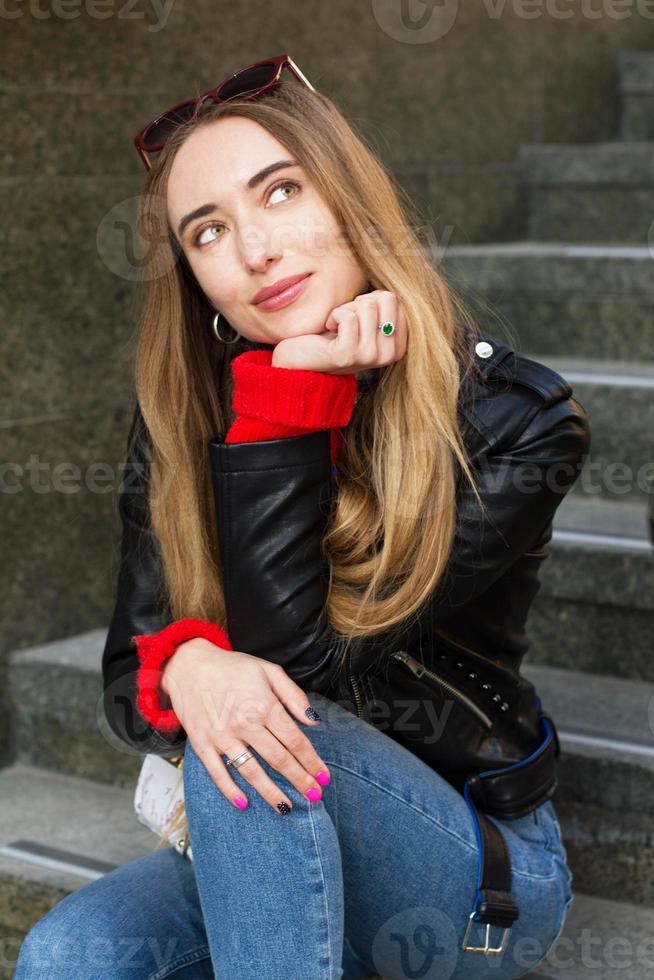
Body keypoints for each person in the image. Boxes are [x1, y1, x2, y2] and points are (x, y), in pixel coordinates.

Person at [14, 56, 589, 980]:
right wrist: (189, 662)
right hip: (272, 837)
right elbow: (131, 675)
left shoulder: (515, 420)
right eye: (208, 231)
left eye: (280, 191)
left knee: (243, 727)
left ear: (351, 198)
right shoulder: (182, 416)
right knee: (63, 959)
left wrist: (296, 401)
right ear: (194, 277)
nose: (254, 251)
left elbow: (303, 669)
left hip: (473, 878)